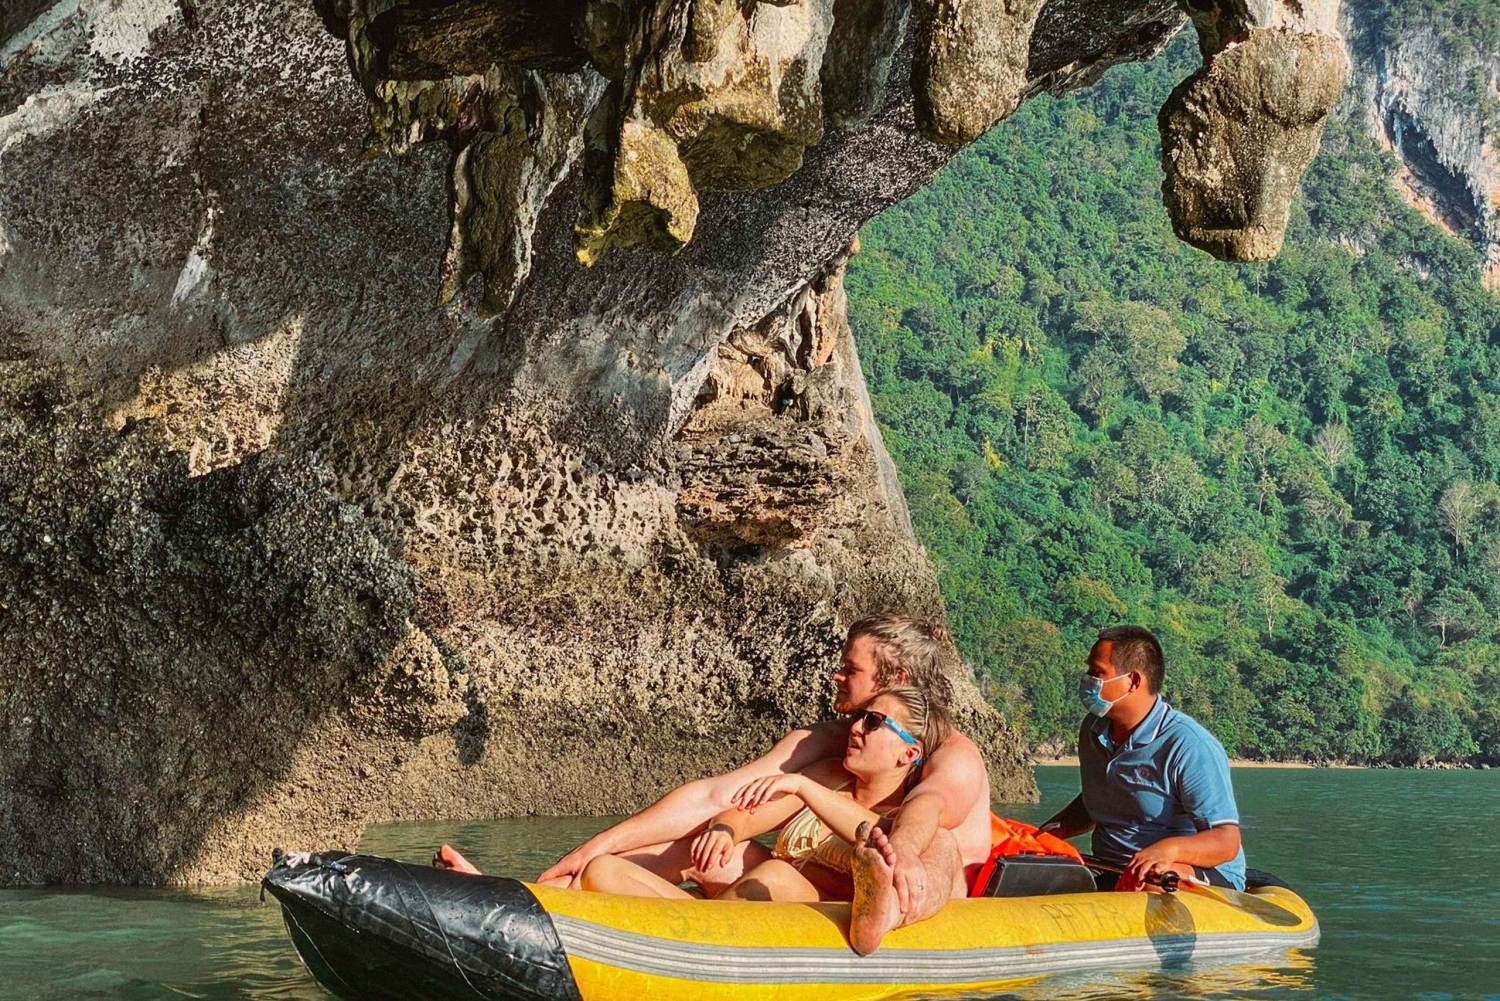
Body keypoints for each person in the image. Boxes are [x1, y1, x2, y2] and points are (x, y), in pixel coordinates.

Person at [534, 612, 992, 954]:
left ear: (897, 678)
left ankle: (879, 913)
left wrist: (901, 855)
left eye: (850, 669)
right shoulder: (828, 747)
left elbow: (927, 809)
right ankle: (541, 901)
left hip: (919, 890)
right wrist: (593, 848)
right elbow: (718, 796)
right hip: (813, 875)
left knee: (937, 843)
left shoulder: (951, 754)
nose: (836, 675)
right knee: (692, 848)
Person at [577, 687, 947, 904]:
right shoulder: (829, 775)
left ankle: (686, 929)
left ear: (909, 753)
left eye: (874, 722)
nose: (856, 727)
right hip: (757, 903)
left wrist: (803, 787)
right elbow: (744, 814)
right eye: (860, 717)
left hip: (815, 916)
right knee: (613, 866)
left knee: (776, 875)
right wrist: (724, 829)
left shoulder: (905, 811)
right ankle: (563, 895)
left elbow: (878, 835)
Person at [1039, 626, 1247, 891]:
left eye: (1098, 673)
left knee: (1153, 877)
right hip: (1109, 865)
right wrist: (1044, 834)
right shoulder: (1093, 729)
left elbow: (1226, 841)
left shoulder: (1188, 745)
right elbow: (1096, 800)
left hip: (1197, 872)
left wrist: (1165, 851)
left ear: (1133, 681)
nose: (1088, 680)